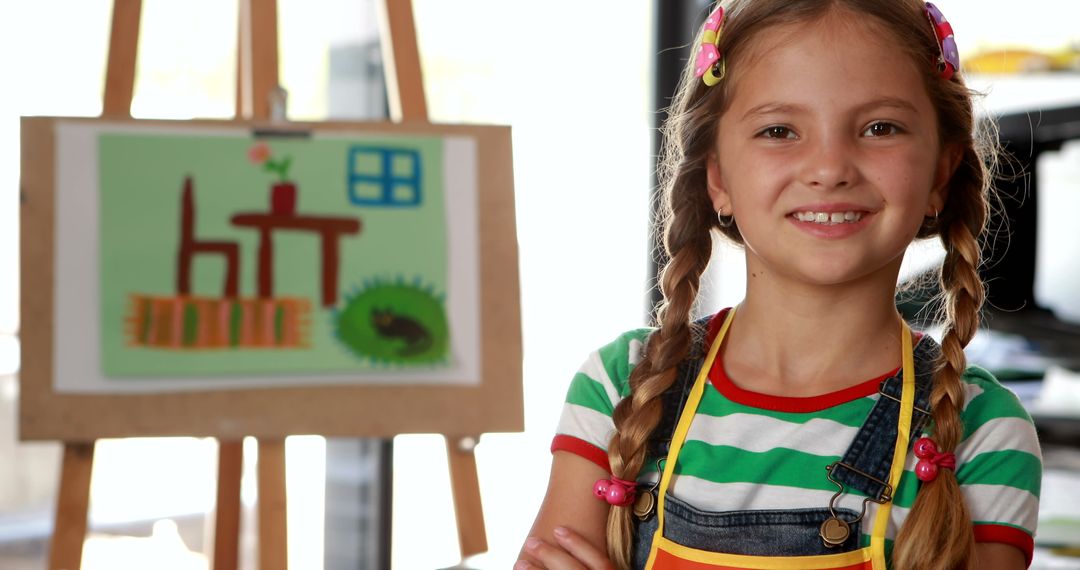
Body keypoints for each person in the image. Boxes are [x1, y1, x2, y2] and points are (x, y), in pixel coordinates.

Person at [516, 1, 1042, 569]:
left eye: (880, 128)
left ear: (941, 171)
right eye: (779, 130)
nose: (830, 166)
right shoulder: (620, 388)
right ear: (717, 177)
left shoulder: (981, 433)